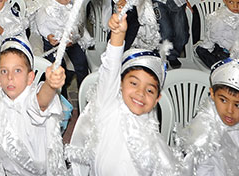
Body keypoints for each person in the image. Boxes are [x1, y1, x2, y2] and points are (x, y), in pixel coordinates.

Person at [66, 11, 178, 175]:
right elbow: (110, 68)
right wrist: (118, 35)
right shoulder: (108, 106)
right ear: (119, 84)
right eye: (133, 83)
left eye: (149, 90)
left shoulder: (150, 130)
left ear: (156, 99)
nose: (140, 93)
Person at [0, 37, 66, 176]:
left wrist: (50, 85)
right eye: (4, 71)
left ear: (30, 78)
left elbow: (41, 103)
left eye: (17, 70)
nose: (10, 77)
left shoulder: (31, 99)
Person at [176, 54, 239, 175]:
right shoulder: (203, 130)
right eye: (223, 100)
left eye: (238, 105)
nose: (229, 110)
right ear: (212, 94)